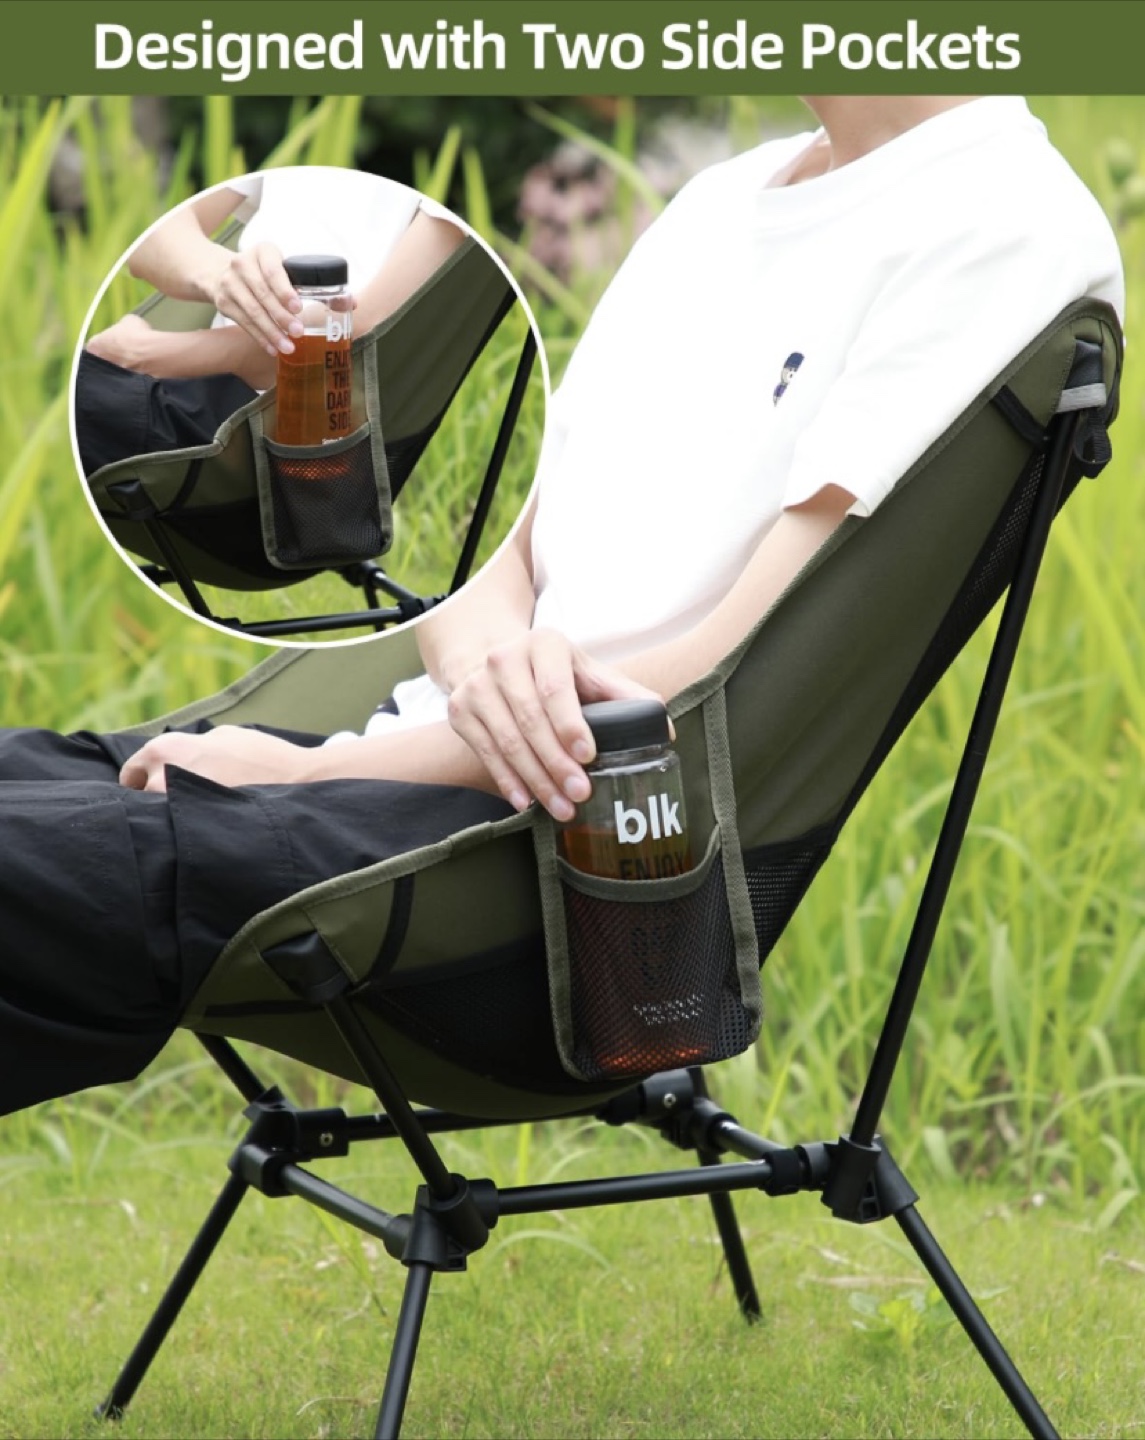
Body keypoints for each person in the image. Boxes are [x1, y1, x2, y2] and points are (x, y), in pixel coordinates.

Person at [1, 96, 1124, 1115]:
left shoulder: (1001, 223)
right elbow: (512, 551)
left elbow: (706, 684)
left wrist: (299, 777)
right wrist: (483, 670)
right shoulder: (719, 198)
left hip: (544, 870)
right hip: (410, 754)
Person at [74, 166, 465, 474]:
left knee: (76, 402)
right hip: (202, 401)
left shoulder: (441, 203)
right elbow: (150, 245)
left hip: (267, 435)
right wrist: (227, 279)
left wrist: (147, 353)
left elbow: (348, 338)